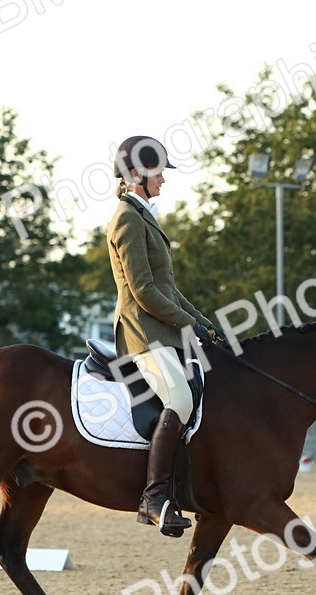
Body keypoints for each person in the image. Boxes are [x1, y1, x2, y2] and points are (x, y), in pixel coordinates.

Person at [106, 135, 225, 537]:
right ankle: (154, 498)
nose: (164, 180)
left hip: (164, 330)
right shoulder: (126, 218)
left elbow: (170, 290)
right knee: (179, 398)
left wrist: (205, 324)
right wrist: (188, 325)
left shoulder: (144, 217)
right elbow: (143, 292)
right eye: (158, 172)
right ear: (136, 173)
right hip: (143, 332)